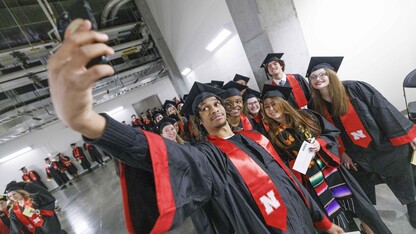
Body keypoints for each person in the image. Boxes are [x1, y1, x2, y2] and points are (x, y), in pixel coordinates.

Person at [47, 19, 344, 233]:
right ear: (199, 120)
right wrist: (88, 122)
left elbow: (291, 183)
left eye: (216, 104)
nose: (212, 108)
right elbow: (152, 152)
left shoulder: (256, 138)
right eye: (203, 108)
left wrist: (325, 223)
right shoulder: (206, 157)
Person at [261, 84, 390, 233]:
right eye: (266, 107)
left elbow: (331, 133)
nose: (271, 109)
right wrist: (296, 162)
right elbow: (281, 160)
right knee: (334, 215)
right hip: (312, 180)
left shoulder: (306, 115)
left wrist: (319, 143)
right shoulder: (273, 135)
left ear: (283, 103)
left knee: (360, 207)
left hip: (333, 169)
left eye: (274, 104)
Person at [307, 56, 416, 228]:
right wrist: (341, 153)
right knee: (360, 181)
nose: (317, 79)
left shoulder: (355, 88)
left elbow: (383, 109)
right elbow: (325, 132)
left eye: (322, 74)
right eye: (313, 77)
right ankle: (369, 218)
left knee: (402, 173)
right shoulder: (315, 105)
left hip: (380, 143)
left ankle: (413, 204)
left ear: (331, 75)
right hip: (355, 152)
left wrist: (409, 135)